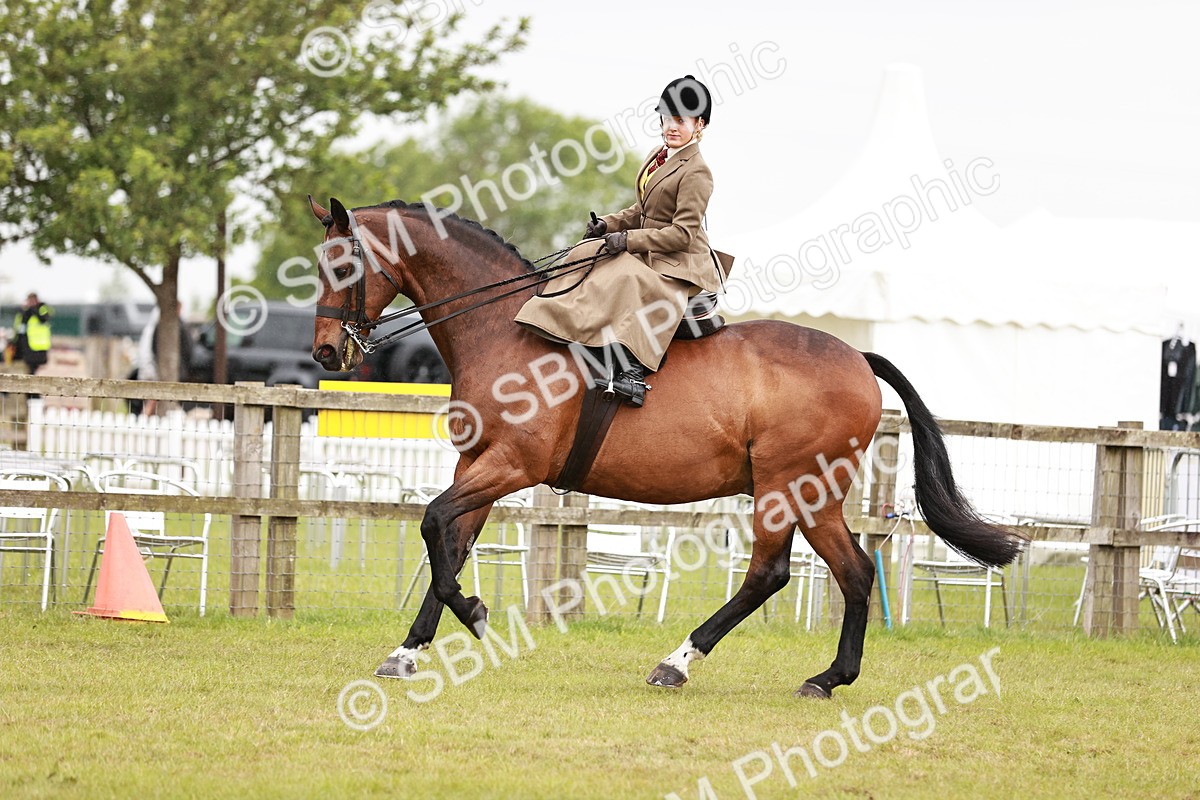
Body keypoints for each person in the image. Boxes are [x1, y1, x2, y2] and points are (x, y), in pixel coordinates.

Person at [515, 75, 733, 408]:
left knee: (627, 276)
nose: (672, 126)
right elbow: (643, 210)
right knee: (588, 251)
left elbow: (681, 233)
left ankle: (632, 374)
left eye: (681, 119)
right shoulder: (659, 155)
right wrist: (608, 225)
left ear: (699, 123)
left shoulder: (697, 171)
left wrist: (627, 240)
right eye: (668, 117)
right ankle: (560, 323)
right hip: (653, 247)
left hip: (680, 261)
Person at [12, 292, 52, 375]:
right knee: (27, 368)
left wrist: (33, 308)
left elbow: (44, 318)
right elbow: (19, 327)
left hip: (38, 345)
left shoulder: (42, 309)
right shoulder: (24, 312)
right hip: (26, 344)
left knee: (33, 368)